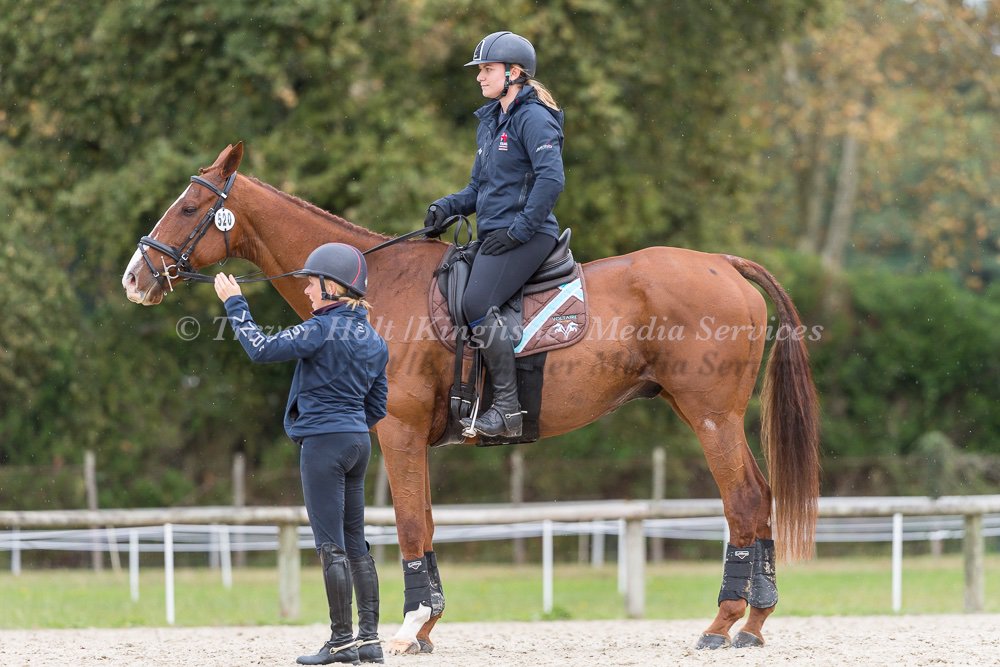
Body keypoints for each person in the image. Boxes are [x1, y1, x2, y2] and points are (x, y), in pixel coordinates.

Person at [214, 243, 389, 665]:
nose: (308, 291)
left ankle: (342, 640)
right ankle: (369, 640)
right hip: (358, 443)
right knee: (356, 545)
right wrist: (348, 422)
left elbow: (259, 348)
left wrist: (235, 304)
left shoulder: (318, 330)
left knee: (330, 546)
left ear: (333, 286)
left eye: (313, 282)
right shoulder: (375, 338)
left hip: (324, 445)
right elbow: (378, 406)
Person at [423, 30, 565, 438]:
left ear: (514, 73)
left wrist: (520, 231)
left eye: (487, 69)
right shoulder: (490, 123)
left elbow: (551, 181)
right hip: (496, 234)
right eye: (480, 70)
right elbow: (478, 190)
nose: (479, 77)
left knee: (476, 301)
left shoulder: (534, 117)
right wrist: (446, 207)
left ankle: (507, 408)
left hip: (529, 236)